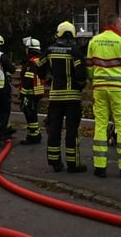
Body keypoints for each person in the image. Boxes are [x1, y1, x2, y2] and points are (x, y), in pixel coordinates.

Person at [87, 13, 121, 178]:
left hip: (100, 88)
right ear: (115, 24)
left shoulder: (94, 41)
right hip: (119, 89)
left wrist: (95, 80)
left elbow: (89, 66)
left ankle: (99, 167)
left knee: (100, 125)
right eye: (120, 24)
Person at [37, 21, 87, 173]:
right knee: (72, 131)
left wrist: (48, 78)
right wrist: (80, 85)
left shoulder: (49, 50)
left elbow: (39, 68)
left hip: (55, 98)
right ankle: (73, 164)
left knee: (54, 130)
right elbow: (81, 74)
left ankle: (55, 162)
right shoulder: (75, 51)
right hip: (72, 98)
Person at [18, 37, 45, 145]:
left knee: (30, 115)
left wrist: (23, 93)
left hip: (30, 93)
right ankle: (34, 135)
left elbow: (28, 79)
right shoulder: (38, 60)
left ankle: (34, 137)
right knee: (32, 114)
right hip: (37, 92)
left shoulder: (31, 62)